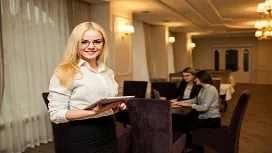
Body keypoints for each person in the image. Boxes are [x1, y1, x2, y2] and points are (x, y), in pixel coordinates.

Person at [47, 22, 126, 153]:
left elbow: (105, 103)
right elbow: (56, 114)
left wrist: (115, 106)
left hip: (108, 130)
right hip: (82, 135)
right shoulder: (64, 71)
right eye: (84, 42)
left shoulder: (107, 71)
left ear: (103, 44)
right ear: (76, 44)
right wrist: (92, 112)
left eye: (97, 42)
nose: (91, 46)